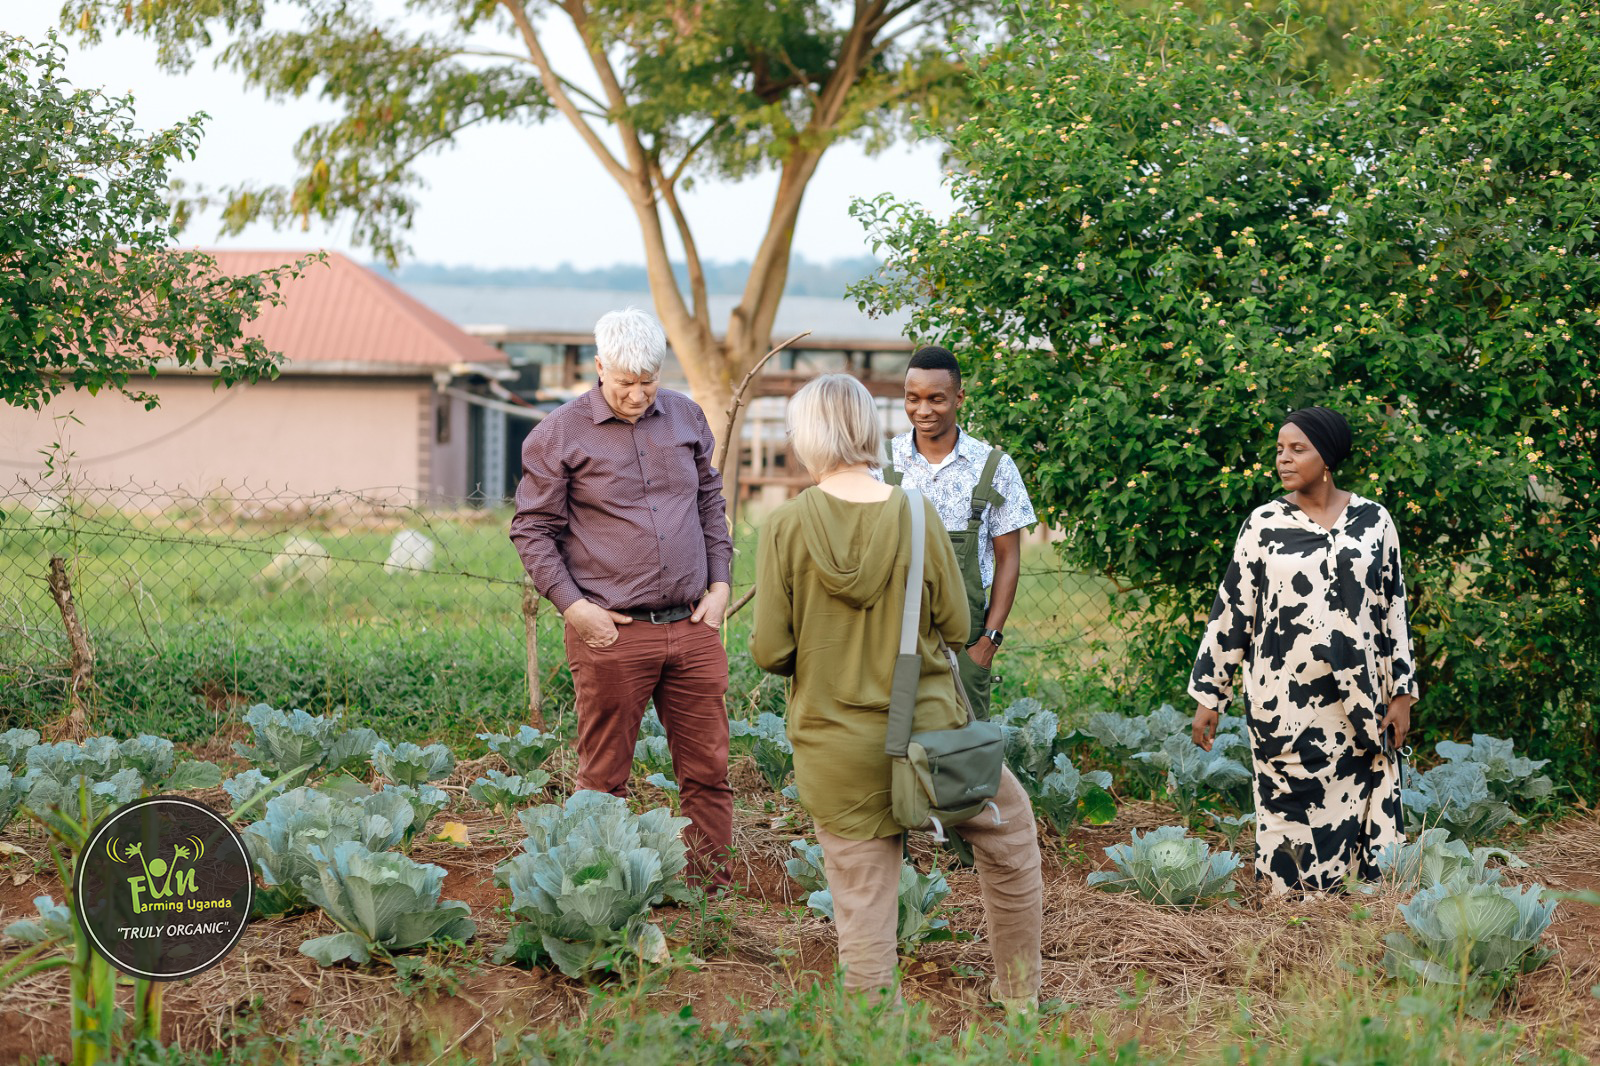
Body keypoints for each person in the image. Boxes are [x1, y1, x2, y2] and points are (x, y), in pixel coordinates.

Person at [751, 373, 1043, 1009]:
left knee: (863, 901)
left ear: (807, 438)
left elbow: (771, 652)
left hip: (834, 745)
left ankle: (874, 1034)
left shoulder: (784, 526)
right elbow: (958, 626)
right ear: (868, 428)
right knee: (1011, 836)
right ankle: (1020, 1000)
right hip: (930, 735)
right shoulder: (916, 512)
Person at [509, 308, 734, 889]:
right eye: (624, 382)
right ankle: (599, 892)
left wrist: (721, 584)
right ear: (599, 366)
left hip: (693, 624)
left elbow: (710, 502)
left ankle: (708, 890)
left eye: (648, 382)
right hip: (612, 633)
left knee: (708, 769)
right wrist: (574, 607)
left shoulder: (686, 417)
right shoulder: (559, 434)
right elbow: (531, 529)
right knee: (605, 775)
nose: (637, 395)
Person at [1189, 406, 1419, 893]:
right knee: (1286, 804)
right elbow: (1233, 611)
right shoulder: (1264, 524)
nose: (1283, 459)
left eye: (1298, 449)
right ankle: (1290, 905)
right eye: (1279, 450)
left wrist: (1402, 693)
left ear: (1327, 457)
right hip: (1283, 703)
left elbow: (1394, 609)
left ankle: (1356, 899)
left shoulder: (1374, 522)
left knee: (1360, 794)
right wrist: (1210, 695)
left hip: (1360, 701)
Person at [875, 345, 1037, 721]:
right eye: (912, 398)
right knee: (892, 740)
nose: (923, 410)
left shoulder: (994, 467)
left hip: (966, 645)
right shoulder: (881, 462)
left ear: (959, 398)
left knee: (963, 746)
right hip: (891, 640)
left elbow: (1009, 558)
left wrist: (988, 642)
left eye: (936, 399)